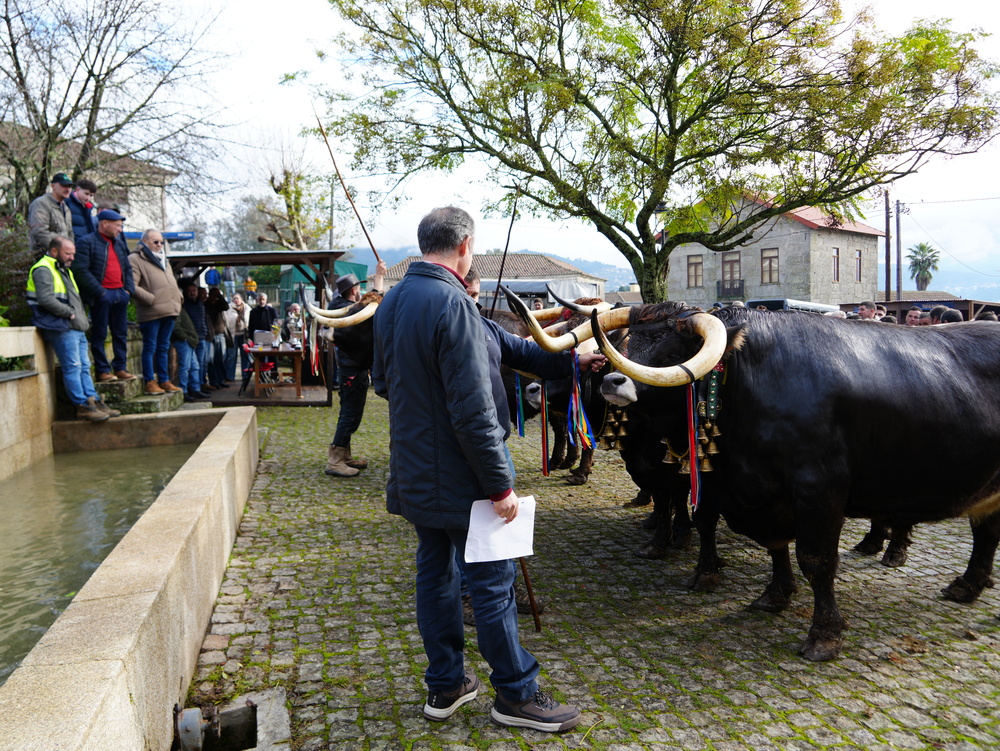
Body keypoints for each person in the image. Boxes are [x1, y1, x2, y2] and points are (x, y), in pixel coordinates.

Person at [372, 206, 582, 733]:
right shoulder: (453, 304)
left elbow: (382, 383)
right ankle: (515, 694)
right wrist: (501, 486)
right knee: (492, 583)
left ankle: (446, 685)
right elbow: (473, 411)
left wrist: (580, 361)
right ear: (465, 246)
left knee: (435, 576)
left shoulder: (392, 301)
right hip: (467, 479)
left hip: (415, 472)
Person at [26, 236, 118, 421]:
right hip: (61, 326)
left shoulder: (62, 269)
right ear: (54, 251)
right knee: (73, 367)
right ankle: (82, 405)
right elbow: (45, 299)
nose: (72, 258)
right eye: (68, 253)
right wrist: (69, 313)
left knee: (84, 366)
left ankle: (93, 401)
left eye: (73, 254)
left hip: (74, 326)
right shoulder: (43, 269)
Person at [323, 262, 387, 477]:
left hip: (351, 369)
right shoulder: (346, 308)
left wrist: (378, 278)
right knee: (350, 415)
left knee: (349, 412)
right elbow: (363, 308)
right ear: (354, 290)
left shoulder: (340, 304)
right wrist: (378, 279)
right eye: (358, 288)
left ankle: (345, 454)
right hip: (352, 370)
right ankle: (335, 460)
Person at [72, 208, 136, 382]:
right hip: (101, 295)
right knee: (99, 333)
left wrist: (128, 291)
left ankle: (120, 368)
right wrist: (100, 292)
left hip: (120, 294)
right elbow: (80, 271)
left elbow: (128, 269)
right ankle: (102, 370)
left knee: (120, 333)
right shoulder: (86, 242)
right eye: (117, 225)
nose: (120, 229)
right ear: (104, 224)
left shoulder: (119, 244)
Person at [129, 229, 184, 395]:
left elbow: (170, 282)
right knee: (150, 347)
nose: (160, 245)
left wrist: (178, 297)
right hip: (151, 312)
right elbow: (132, 285)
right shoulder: (135, 259)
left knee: (164, 347)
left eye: (161, 242)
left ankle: (164, 380)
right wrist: (151, 299)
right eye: (156, 242)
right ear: (145, 241)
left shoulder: (164, 260)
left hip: (169, 309)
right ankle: (149, 381)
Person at [171, 293, 210, 402]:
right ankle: (184, 390)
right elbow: (176, 326)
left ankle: (195, 389)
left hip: (189, 341)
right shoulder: (177, 310)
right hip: (184, 342)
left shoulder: (181, 309)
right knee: (186, 366)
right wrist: (185, 338)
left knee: (194, 366)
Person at [28, 173, 75, 256]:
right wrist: (59, 251)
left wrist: (69, 252)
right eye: (64, 185)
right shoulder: (41, 204)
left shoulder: (66, 209)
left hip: (61, 258)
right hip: (43, 256)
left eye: (69, 186)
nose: (68, 189)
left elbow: (70, 233)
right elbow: (40, 232)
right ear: (53, 186)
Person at [180, 283, 211, 399]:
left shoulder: (200, 304)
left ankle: (198, 386)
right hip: (190, 338)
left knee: (200, 364)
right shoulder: (184, 306)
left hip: (201, 337)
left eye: (194, 290)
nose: (192, 293)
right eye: (190, 291)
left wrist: (206, 332)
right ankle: (188, 389)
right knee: (188, 365)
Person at [205, 286, 231, 389]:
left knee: (220, 360)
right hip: (210, 335)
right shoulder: (206, 305)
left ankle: (220, 380)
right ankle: (214, 381)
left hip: (220, 335)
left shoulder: (218, 305)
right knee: (211, 361)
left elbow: (226, 306)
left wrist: (219, 296)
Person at [65, 178, 98, 243]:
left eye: (91, 195)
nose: (88, 198)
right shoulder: (66, 202)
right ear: (77, 190)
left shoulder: (89, 208)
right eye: (86, 194)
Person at [228, 292, 251, 380]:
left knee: (245, 355)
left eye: (237, 298)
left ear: (241, 299)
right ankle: (230, 376)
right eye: (234, 298)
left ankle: (245, 375)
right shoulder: (229, 308)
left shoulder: (246, 308)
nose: (236, 300)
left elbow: (249, 320)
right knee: (231, 355)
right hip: (233, 335)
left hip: (244, 335)